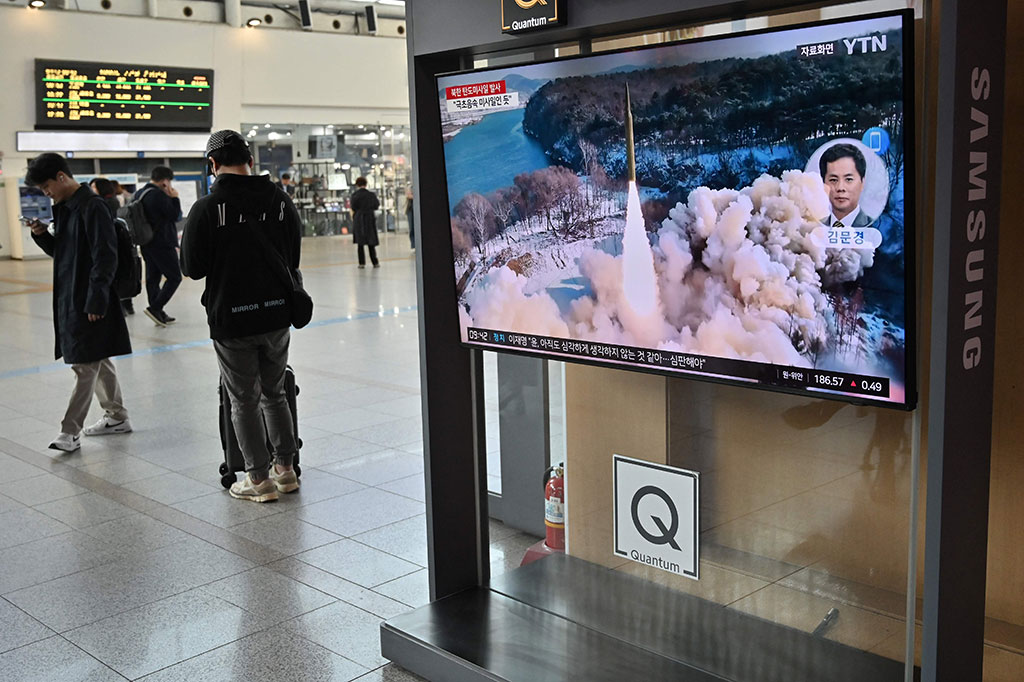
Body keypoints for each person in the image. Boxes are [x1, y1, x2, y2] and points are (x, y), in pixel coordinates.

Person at [180, 130, 302, 503]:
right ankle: (286, 470)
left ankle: (258, 479)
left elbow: (192, 268)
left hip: (232, 318)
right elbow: (293, 257)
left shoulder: (206, 208)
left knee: (243, 400)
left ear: (213, 164)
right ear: (250, 160)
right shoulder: (281, 201)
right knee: (275, 392)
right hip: (277, 315)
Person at [25, 154, 133, 453]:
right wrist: (41, 235)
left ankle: (69, 431)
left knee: (84, 365)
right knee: (97, 358)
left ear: (61, 177)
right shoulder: (67, 208)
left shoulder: (92, 206)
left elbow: (105, 256)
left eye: (46, 185)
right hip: (74, 296)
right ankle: (116, 416)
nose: (46, 192)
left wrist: (97, 300)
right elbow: (65, 254)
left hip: (89, 298)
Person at [136, 166, 183, 326]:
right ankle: (156, 307)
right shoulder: (159, 195)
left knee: (152, 278)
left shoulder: (140, 193)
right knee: (175, 276)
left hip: (146, 242)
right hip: (162, 243)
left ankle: (158, 312)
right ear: (165, 181)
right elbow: (175, 215)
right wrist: (175, 197)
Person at [89, 177, 135, 315]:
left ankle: (123, 306)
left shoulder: (106, 202)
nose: (92, 190)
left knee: (115, 276)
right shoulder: (110, 200)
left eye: (94, 188)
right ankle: (127, 305)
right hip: (118, 244)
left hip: (115, 244)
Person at [819, 143, 876, 227]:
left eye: (849, 179)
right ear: (824, 183)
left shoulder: (873, 228)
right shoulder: (815, 228)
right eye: (833, 180)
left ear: (862, 182)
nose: (840, 188)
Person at [350, 176, 380, 268]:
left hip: (359, 218)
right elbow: (376, 205)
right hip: (369, 217)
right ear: (366, 184)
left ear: (357, 185)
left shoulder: (355, 195)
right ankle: (375, 262)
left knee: (360, 242)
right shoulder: (371, 195)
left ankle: (361, 263)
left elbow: (353, 206)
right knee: (371, 241)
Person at [405, 184, 415, 250]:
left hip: (414, 209)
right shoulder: (410, 187)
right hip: (410, 209)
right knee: (411, 228)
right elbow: (408, 196)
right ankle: (413, 244)